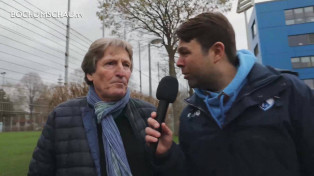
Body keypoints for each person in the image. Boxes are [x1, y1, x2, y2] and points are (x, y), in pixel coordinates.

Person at [145, 12, 314, 176]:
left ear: (217, 51)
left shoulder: (287, 92)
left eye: (185, 52)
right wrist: (168, 155)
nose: (179, 62)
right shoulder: (190, 116)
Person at [28, 38, 156, 176]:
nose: (121, 72)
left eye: (126, 65)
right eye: (110, 63)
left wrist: (167, 154)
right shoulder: (61, 117)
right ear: (90, 74)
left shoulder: (148, 114)